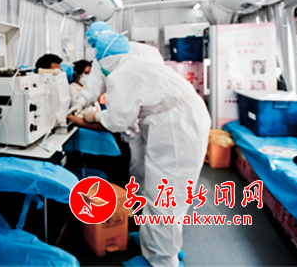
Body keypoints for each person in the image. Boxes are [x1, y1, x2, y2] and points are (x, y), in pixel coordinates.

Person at [80, 24, 211, 267]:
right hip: (180, 118)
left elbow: (117, 120)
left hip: (176, 126)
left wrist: (94, 116)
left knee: (166, 197)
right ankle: (154, 244)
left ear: (103, 57)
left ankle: (162, 260)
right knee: (160, 190)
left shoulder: (119, 73)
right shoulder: (136, 61)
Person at [71, 23, 165, 187]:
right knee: (138, 158)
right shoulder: (103, 57)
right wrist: (81, 101)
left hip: (154, 112)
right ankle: (139, 195)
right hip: (136, 113)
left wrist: (97, 116)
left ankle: (146, 194)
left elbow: (152, 85)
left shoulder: (140, 53)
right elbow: (93, 85)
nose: (97, 49)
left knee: (156, 161)